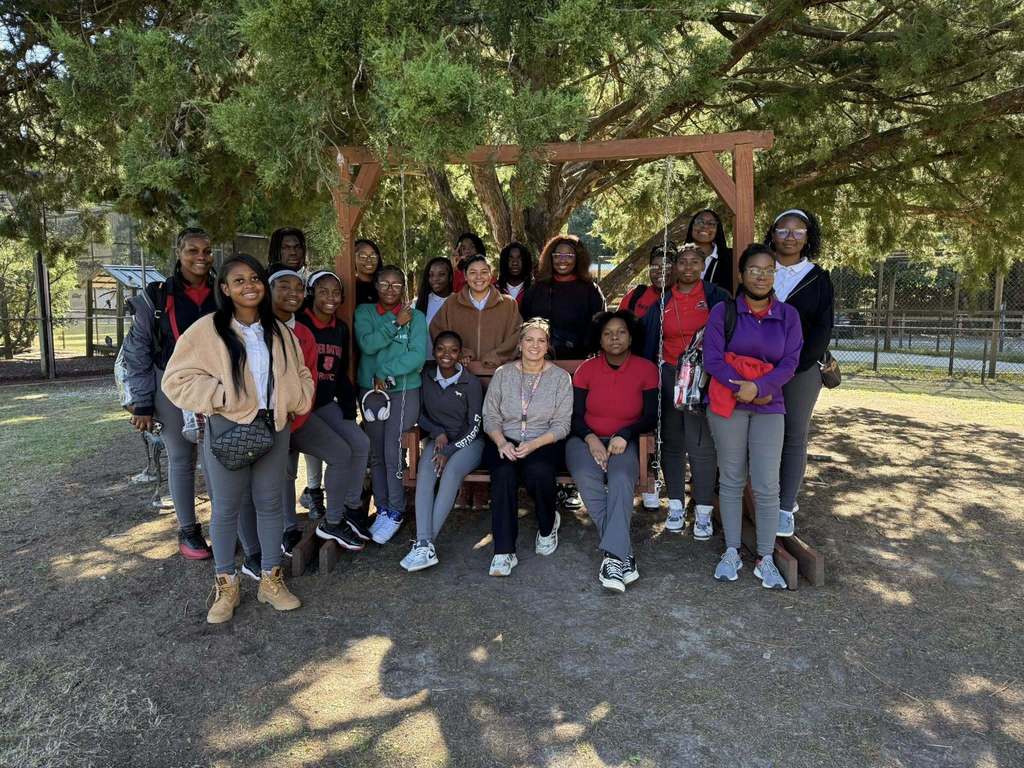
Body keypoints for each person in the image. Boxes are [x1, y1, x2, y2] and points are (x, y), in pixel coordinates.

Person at [162, 255, 315, 623]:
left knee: (270, 503)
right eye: (239, 280)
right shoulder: (206, 330)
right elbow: (176, 379)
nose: (250, 285)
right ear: (226, 288)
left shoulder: (278, 331)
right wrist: (223, 397)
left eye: (256, 278)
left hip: (273, 428)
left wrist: (297, 399)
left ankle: (270, 581)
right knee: (227, 507)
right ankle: (226, 586)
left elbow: (302, 371)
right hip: (227, 428)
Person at [703, 244, 802, 589]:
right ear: (742, 275)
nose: (761, 275)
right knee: (731, 478)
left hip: (769, 404)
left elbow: (790, 363)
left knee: (766, 483)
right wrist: (739, 386)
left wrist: (758, 387)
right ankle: (731, 550)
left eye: (768, 269)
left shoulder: (788, 315)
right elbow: (712, 359)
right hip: (729, 402)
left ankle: (765, 556)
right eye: (754, 269)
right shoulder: (723, 312)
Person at [122, 227, 218, 560]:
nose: (201, 258)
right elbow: (138, 351)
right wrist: (142, 403)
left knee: (216, 458)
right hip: (171, 383)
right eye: (192, 251)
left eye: (206, 251)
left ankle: (223, 527)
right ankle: (189, 531)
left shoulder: (222, 291)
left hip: (214, 385)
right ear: (178, 252)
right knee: (181, 457)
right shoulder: (157, 296)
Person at [641, 243, 730, 538]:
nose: (688, 267)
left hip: (703, 378)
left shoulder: (717, 297)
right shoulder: (662, 300)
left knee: (701, 444)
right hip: (669, 376)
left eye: (695, 262)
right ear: (675, 267)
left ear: (703, 265)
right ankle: (676, 505)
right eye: (683, 262)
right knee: (672, 441)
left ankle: (703, 510)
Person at [566, 311, 658, 592]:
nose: (614, 338)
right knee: (585, 474)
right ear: (600, 339)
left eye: (620, 332)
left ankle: (612, 557)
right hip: (584, 439)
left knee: (620, 479)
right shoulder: (587, 369)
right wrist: (591, 438)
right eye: (607, 333)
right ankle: (622, 553)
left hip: (624, 441)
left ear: (631, 337)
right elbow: (575, 416)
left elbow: (650, 415)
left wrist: (625, 434)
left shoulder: (646, 369)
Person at [283, 270, 371, 553]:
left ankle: (350, 506)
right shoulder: (300, 324)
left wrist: (348, 406)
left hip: (322, 404)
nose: (331, 298)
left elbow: (341, 371)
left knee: (359, 443)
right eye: (323, 291)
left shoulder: (340, 328)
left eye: (336, 292)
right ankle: (288, 527)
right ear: (312, 294)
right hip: (295, 408)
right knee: (286, 469)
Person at [482, 319, 573, 576]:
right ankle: (503, 551)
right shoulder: (503, 374)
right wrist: (501, 442)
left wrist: (533, 444)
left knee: (539, 472)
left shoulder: (559, 378)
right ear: (520, 344)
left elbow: (562, 425)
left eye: (541, 340)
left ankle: (547, 525)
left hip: (543, 440)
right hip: (504, 439)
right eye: (529, 340)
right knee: (503, 474)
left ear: (548, 346)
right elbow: (490, 416)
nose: (535, 345)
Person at [764, 209, 833, 537]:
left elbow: (823, 327)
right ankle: (762, 497)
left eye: (798, 231)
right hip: (758, 368)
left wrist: (795, 364)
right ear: (773, 234)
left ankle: (784, 505)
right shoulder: (760, 268)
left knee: (793, 435)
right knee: (763, 435)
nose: (790, 237)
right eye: (783, 230)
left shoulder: (818, 277)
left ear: (808, 236)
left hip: (801, 369)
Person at [354, 265, 428, 544]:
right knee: (376, 451)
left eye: (397, 285)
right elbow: (368, 345)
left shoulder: (417, 318)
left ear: (404, 287)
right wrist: (396, 323)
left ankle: (396, 509)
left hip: (404, 390)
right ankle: (382, 506)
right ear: (376, 286)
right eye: (384, 284)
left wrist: (387, 372)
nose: (390, 289)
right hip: (370, 391)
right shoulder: (364, 313)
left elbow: (417, 356)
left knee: (392, 449)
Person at [400, 331, 485, 572]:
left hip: (469, 443)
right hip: (438, 441)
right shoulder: (425, 377)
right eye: (440, 349)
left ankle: (424, 544)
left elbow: (476, 425)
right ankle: (425, 543)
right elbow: (418, 414)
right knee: (426, 474)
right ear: (434, 350)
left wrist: (450, 449)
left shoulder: (470, 383)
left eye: (453, 350)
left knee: (450, 474)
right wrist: (437, 432)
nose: (446, 355)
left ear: (460, 353)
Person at [429, 254, 522, 369]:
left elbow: (517, 335)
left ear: (491, 275)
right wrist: (460, 352)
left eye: (484, 272)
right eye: (473, 272)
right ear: (465, 276)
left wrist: (496, 356)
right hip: (461, 374)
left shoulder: (508, 304)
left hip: (497, 373)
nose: (479, 277)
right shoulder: (452, 302)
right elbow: (437, 329)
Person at [521, 235, 606, 360]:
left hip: (577, 361)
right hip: (538, 360)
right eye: (558, 255)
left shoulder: (590, 291)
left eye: (569, 256)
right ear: (551, 258)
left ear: (578, 258)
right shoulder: (536, 289)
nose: (562, 260)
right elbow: (524, 323)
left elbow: (598, 329)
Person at [618, 244, 672, 320]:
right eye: (654, 266)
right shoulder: (635, 296)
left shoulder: (685, 298)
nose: (660, 270)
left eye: (666, 266)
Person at [686, 209, 734, 294]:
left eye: (711, 223)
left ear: (718, 229)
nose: (704, 226)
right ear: (691, 226)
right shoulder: (677, 257)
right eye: (700, 222)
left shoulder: (731, 258)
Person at [415, 256, 454, 329]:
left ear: (450, 277)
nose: (435, 279)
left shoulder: (459, 300)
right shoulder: (420, 303)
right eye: (431, 275)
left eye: (441, 274)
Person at [496, 241, 533, 305]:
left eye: (520, 258)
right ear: (504, 262)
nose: (515, 263)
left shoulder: (535, 289)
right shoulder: (494, 290)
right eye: (510, 258)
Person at [354, 238, 383, 306]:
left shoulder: (384, 286)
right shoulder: (351, 288)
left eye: (373, 256)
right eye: (363, 256)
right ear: (353, 258)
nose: (369, 260)